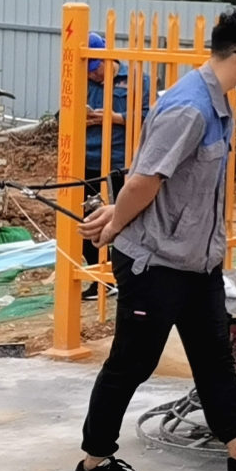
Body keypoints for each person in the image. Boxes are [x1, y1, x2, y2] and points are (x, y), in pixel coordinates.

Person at [73, 7, 236, 471]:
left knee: (213, 355)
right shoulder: (190, 108)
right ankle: (93, 463)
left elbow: (172, 182)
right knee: (132, 362)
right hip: (156, 262)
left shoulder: (217, 103)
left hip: (197, 262)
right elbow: (144, 180)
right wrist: (115, 224)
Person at [81, 32, 150, 300]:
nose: (93, 74)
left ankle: (128, 278)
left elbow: (150, 117)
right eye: (89, 70)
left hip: (122, 163)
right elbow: (62, 114)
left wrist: (115, 117)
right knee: (87, 221)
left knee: (125, 220)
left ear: (108, 57)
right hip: (88, 161)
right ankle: (100, 278)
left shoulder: (137, 80)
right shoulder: (81, 81)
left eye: (96, 67)